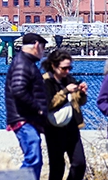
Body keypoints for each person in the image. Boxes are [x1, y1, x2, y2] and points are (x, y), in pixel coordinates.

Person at [5, 32, 50, 180]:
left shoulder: (25, 62)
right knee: (33, 156)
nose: (43, 53)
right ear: (36, 45)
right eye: (43, 48)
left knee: (34, 157)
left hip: (27, 117)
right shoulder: (23, 63)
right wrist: (37, 107)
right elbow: (18, 89)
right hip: (23, 118)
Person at [42, 49, 88, 180]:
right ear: (53, 65)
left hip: (72, 126)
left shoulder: (69, 79)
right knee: (57, 167)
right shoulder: (46, 81)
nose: (67, 71)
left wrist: (82, 93)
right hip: (53, 128)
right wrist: (65, 91)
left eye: (69, 68)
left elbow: (79, 102)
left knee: (79, 164)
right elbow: (48, 104)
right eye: (64, 68)